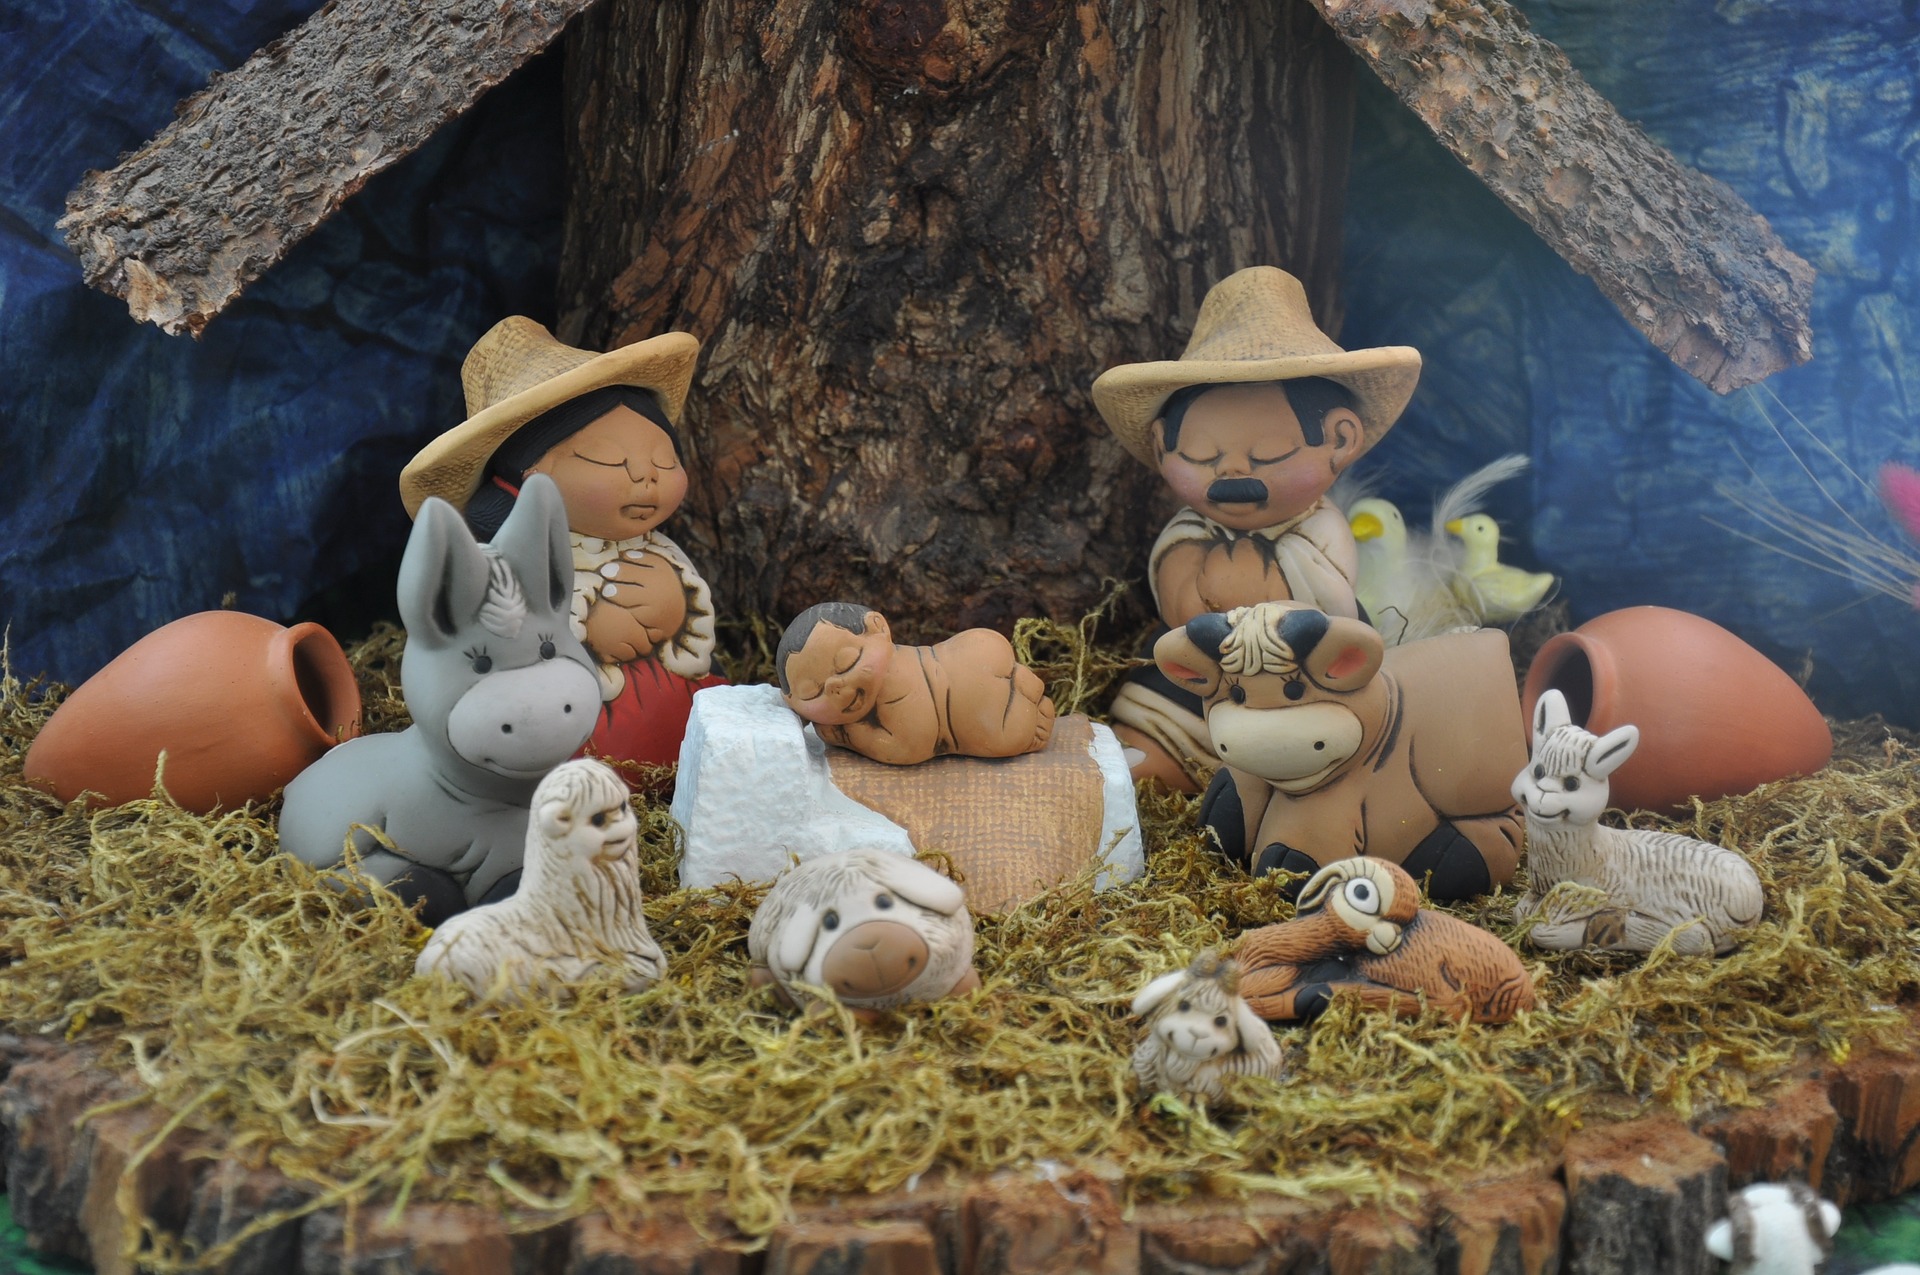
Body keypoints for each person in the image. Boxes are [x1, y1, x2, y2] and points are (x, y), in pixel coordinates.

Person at [1089, 266, 1422, 791]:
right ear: (1160, 447)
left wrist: (1230, 583)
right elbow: (1181, 610)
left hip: (1303, 685)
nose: (1233, 476)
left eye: (1270, 454)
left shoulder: (1322, 531)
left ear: (1339, 440)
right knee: (1156, 704)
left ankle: (1289, 781)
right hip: (1199, 674)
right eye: (1202, 456)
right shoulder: (1188, 531)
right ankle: (1160, 757)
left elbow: (1313, 604)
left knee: (1340, 727)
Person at [399, 317, 723, 776]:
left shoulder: (655, 546)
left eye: (664, 460)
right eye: (611, 460)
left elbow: (694, 627)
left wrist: (677, 603)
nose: (647, 477)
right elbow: (503, 633)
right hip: (574, 726)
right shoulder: (505, 561)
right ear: (532, 478)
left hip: (672, 706)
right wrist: (585, 632)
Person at [775, 602, 1056, 765]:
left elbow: (910, 747)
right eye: (814, 693)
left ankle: (1025, 710)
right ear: (793, 703)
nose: (836, 686)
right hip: (977, 648)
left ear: (878, 628)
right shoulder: (892, 670)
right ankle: (1020, 688)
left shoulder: (894, 682)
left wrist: (853, 736)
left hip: (975, 706)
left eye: (847, 661)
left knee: (1001, 738)